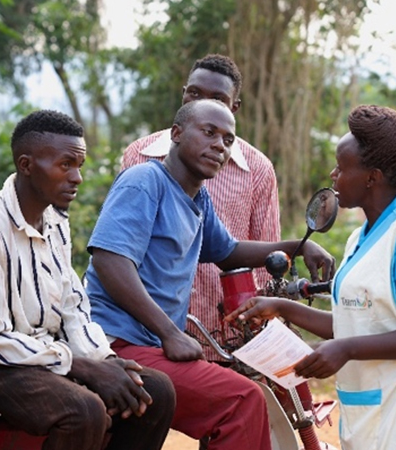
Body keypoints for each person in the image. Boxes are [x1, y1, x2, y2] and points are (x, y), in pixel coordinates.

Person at [227, 105, 396, 450]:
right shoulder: (359, 238)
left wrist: (346, 349)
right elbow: (356, 321)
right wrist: (282, 308)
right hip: (377, 403)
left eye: (341, 168)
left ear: (372, 177)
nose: (332, 175)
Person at [85, 99, 335, 450]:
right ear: (176, 134)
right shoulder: (146, 181)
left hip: (149, 344)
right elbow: (111, 262)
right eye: (209, 132)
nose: (220, 145)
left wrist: (298, 245)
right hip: (119, 342)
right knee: (242, 400)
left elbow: (227, 252)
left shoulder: (198, 200)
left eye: (228, 139)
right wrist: (171, 333)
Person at [0, 110, 176, 450]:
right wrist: (81, 367)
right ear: (26, 165)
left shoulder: (55, 222)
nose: (77, 178)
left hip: (44, 354)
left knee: (155, 391)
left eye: (79, 165)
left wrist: (107, 362)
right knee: (83, 411)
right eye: (65, 165)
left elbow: (73, 307)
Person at [121, 54, 280, 361]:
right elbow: (121, 250)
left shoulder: (257, 169)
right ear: (183, 94)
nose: (203, 103)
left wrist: (262, 330)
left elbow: (260, 262)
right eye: (194, 93)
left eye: (218, 99)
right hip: (147, 332)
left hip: (225, 334)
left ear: (235, 108)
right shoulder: (140, 157)